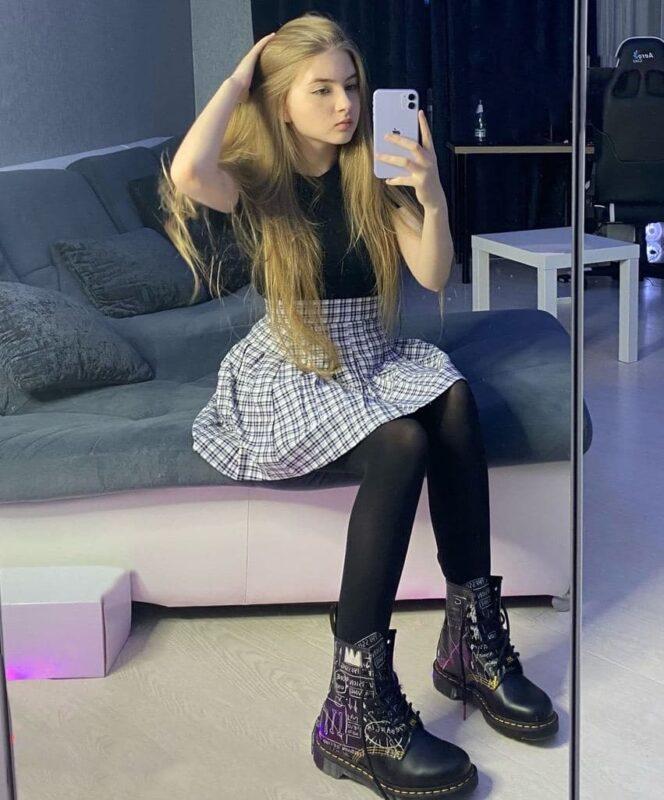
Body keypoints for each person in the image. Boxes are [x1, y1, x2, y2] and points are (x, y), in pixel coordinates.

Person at [159, 12, 558, 800]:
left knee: (454, 399)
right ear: (281, 103)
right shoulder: (260, 182)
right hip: (296, 366)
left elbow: (434, 275)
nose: (345, 104)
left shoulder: (373, 170)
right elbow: (188, 172)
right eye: (322, 90)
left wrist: (431, 195)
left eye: (351, 85)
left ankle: (472, 645)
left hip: (375, 355)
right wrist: (242, 75)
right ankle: (353, 706)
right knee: (403, 443)